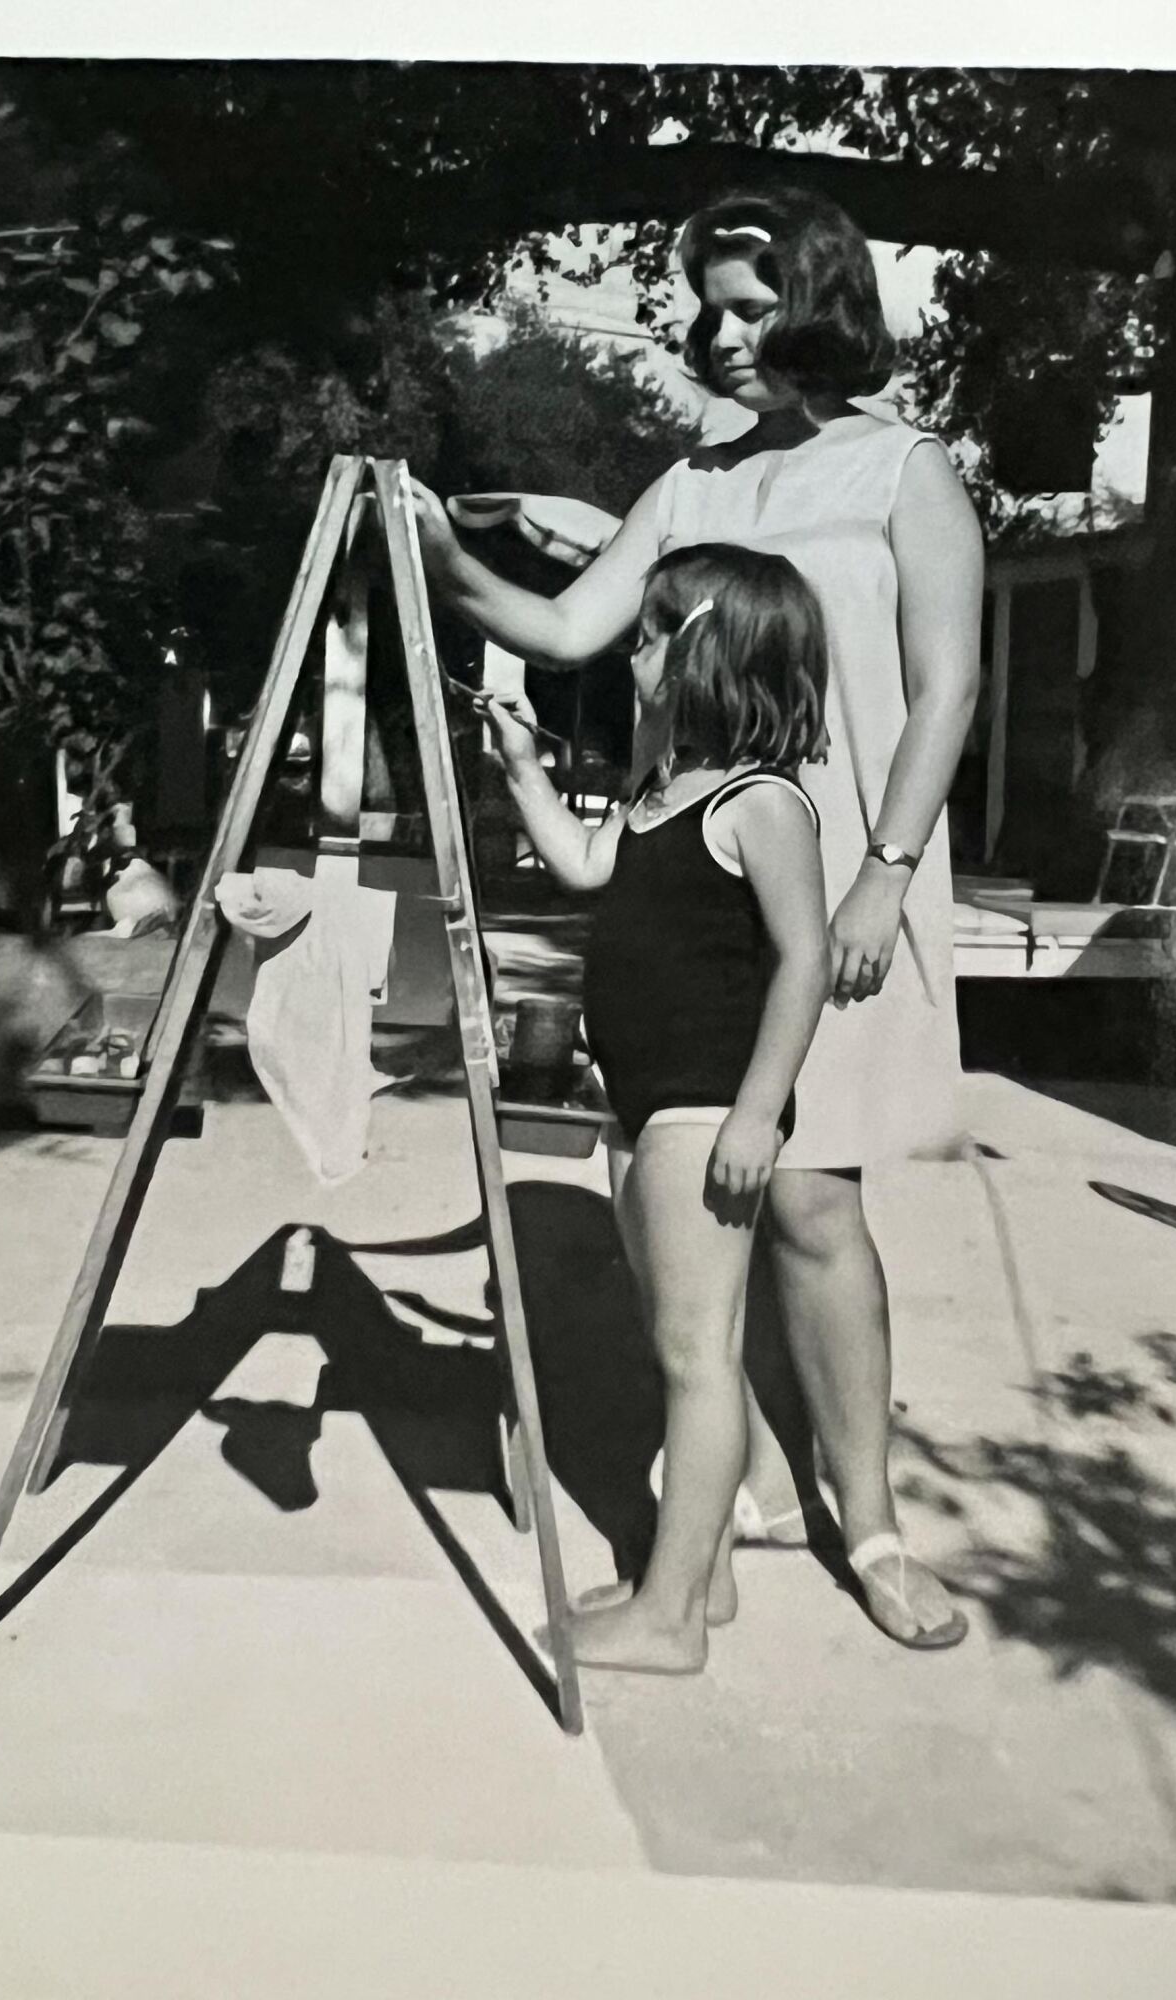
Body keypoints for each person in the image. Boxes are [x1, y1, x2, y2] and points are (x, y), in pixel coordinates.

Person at [413, 184, 983, 1650]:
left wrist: (887, 869)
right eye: (708, 306)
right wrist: (443, 563)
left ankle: (877, 1527)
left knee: (814, 1202)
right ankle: (727, 1506)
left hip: (841, 881)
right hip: (702, 891)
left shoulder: (910, 469)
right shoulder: (692, 487)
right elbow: (564, 630)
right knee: (727, 1203)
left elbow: (948, 690)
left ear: (817, 304)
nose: (719, 333)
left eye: (749, 304)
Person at [478, 544, 832, 1674]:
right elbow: (586, 866)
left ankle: (669, 1615)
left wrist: (757, 1112)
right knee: (685, 1347)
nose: (628, 650)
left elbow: (805, 959)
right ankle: (702, 1574)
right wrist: (523, 767)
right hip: (644, 1100)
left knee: (693, 1352)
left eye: (647, 632)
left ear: (701, 647)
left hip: (705, 1102)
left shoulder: (760, 802)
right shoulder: (660, 787)